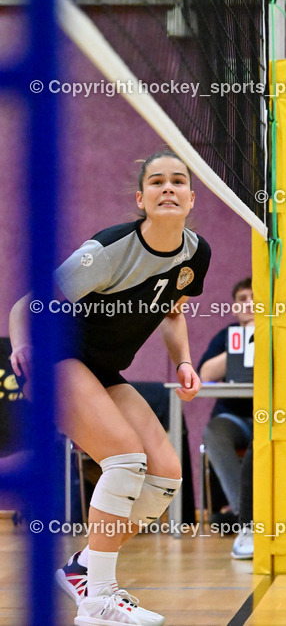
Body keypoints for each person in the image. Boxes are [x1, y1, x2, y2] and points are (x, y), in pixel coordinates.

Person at [9, 150, 209, 626]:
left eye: (177, 181)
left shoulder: (195, 252)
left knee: (165, 475)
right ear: (141, 198)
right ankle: (99, 597)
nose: (167, 188)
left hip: (103, 370)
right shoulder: (108, 251)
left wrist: (183, 361)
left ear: (191, 198)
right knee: (124, 458)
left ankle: (82, 569)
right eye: (156, 182)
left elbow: (173, 310)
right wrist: (20, 347)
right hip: (56, 358)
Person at [196, 278, 256, 557]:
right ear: (234, 306)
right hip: (231, 417)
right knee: (214, 432)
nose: (248, 303)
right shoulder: (227, 335)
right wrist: (243, 341)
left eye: (254, 297)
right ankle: (247, 519)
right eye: (242, 298)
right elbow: (205, 373)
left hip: (266, 417)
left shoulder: (277, 333)